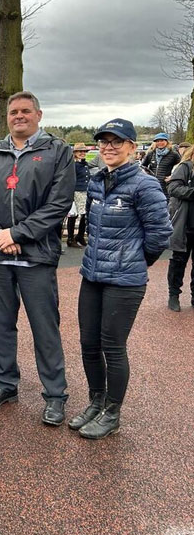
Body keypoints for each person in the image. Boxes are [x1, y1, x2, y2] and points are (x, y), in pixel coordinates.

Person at [0, 91, 74, 426]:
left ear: (38, 115)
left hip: (36, 256)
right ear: (7, 117)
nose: (19, 116)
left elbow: (59, 204)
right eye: (14, 112)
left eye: (26, 111)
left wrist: (16, 234)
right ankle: (5, 383)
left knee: (45, 327)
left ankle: (55, 395)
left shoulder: (58, 152)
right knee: (0, 324)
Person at [70, 119, 171, 439]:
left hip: (125, 281)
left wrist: (136, 262)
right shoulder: (98, 181)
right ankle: (95, 401)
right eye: (104, 141)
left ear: (131, 147)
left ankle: (112, 412)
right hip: (93, 274)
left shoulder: (145, 185)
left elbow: (160, 233)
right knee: (88, 344)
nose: (109, 147)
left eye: (117, 141)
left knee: (112, 346)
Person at [167, 143, 194, 312]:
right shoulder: (185, 167)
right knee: (178, 261)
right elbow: (173, 188)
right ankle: (173, 295)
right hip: (185, 223)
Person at [67, 143, 91, 248]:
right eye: (80, 151)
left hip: (84, 191)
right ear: (75, 153)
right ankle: (70, 238)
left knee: (84, 214)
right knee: (73, 215)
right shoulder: (73, 165)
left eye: (84, 151)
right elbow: (69, 180)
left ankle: (80, 236)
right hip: (76, 192)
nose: (82, 153)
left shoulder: (84, 164)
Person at [141, 132, 179, 197]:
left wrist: (173, 177)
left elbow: (180, 167)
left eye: (162, 140)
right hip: (152, 185)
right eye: (157, 141)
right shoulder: (151, 153)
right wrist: (147, 175)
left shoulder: (173, 154)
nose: (159, 143)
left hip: (166, 186)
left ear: (167, 141)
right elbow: (142, 166)